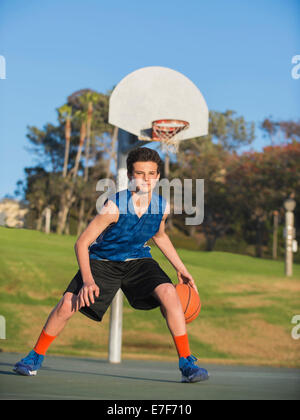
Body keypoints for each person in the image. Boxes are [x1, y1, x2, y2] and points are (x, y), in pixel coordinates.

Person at [14, 147, 209, 383]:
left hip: (138, 261)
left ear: (158, 176)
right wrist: (87, 280)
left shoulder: (162, 207)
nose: (146, 178)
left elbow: (159, 236)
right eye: (140, 173)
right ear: (130, 176)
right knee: (67, 303)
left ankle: (186, 362)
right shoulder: (114, 207)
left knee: (169, 292)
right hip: (103, 261)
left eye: (151, 173)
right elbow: (82, 243)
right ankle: (34, 357)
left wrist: (181, 268)